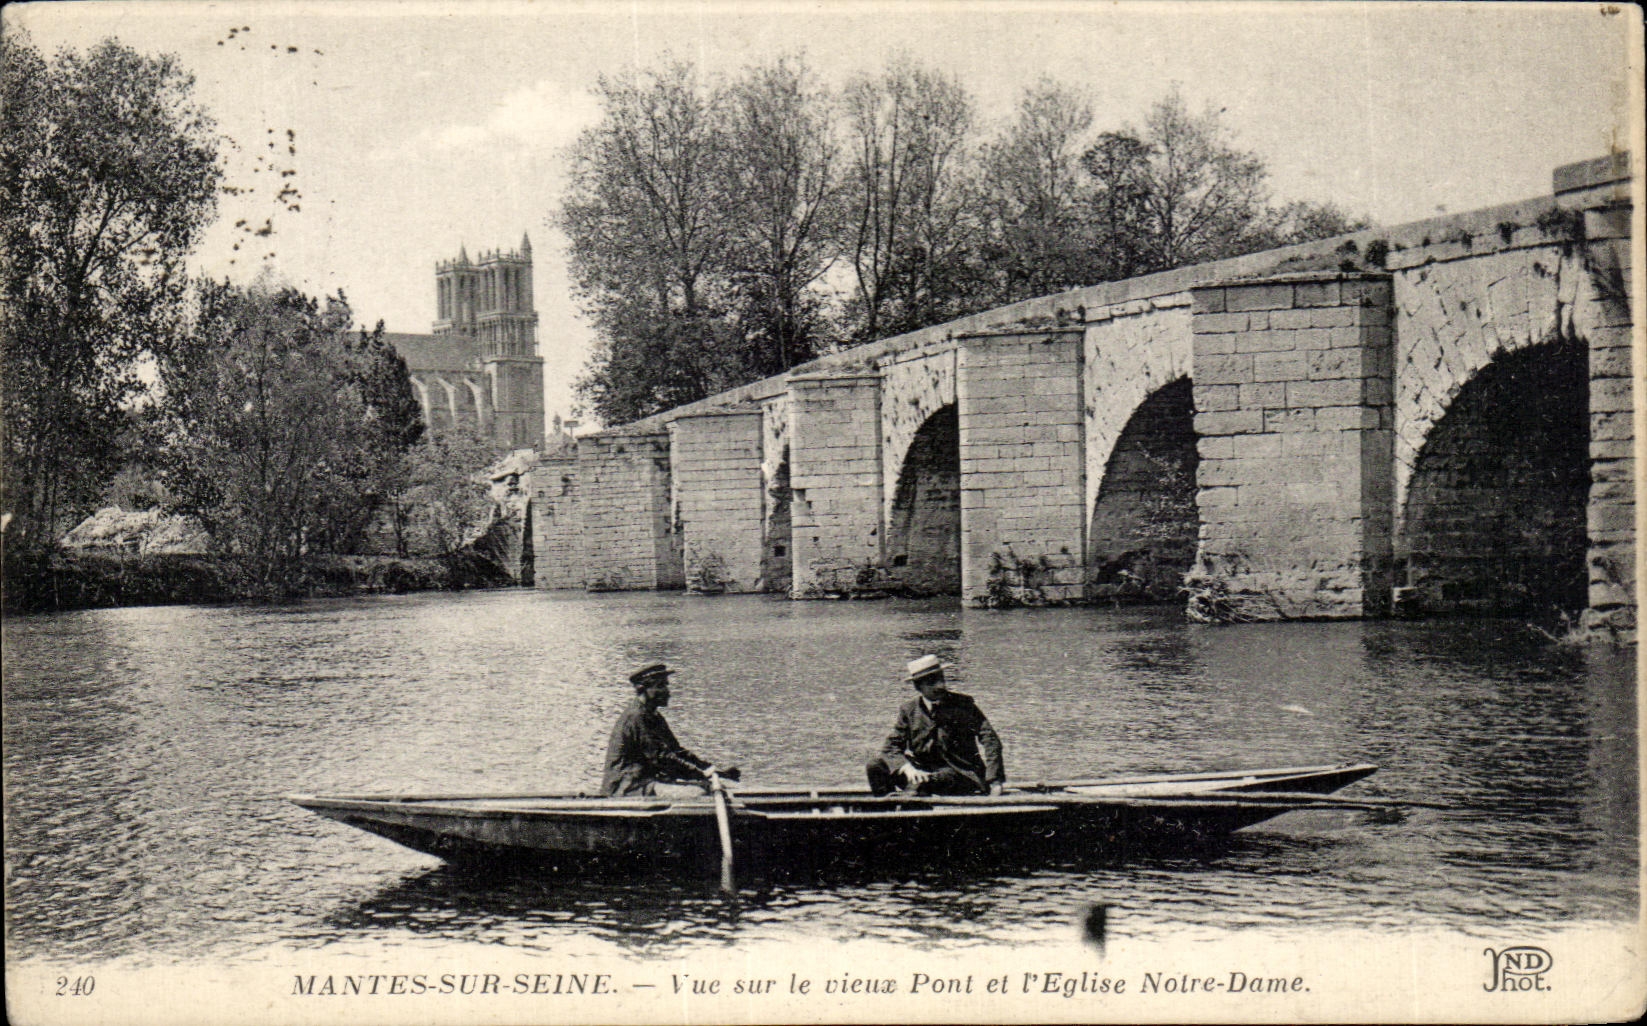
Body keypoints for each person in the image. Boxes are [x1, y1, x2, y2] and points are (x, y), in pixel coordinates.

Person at [866, 655, 1005, 797]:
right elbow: (890, 747)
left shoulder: (964, 705)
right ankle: (886, 813)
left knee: (922, 782)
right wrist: (907, 768)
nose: (941, 686)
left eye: (942, 679)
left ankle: (911, 804)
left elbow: (991, 740)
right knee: (875, 766)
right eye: (932, 682)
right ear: (918, 686)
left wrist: (994, 781)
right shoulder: (909, 711)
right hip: (923, 772)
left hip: (961, 774)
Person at [602, 663, 739, 797]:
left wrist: (710, 769)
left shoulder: (654, 716)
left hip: (645, 782)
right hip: (628, 787)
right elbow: (661, 758)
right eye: (661, 686)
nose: (667, 692)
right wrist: (700, 775)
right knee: (700, 793)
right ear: (643, 689)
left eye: (666, 685)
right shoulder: (636, 717)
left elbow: (677, 751)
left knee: (713, 788)